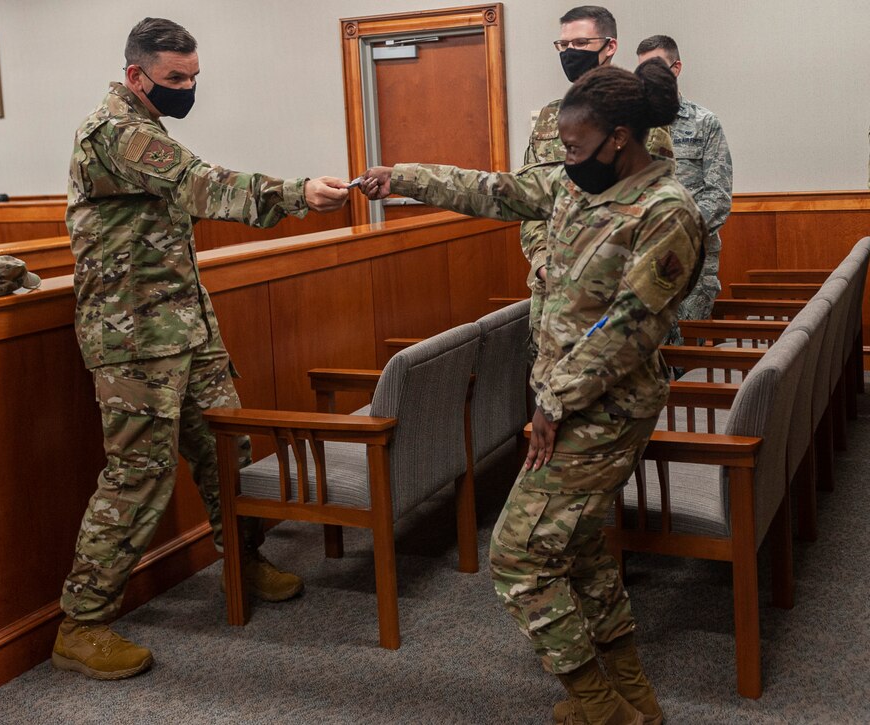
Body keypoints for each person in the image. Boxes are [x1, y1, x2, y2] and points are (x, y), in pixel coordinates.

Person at [359, 60, 704, 725]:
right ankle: (634, 695)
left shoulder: (667, 212)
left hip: (603, 409)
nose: (566, 160)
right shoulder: (579, 185)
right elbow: (493, 190)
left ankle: (599, 705)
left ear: (620, 138)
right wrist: (399, 177)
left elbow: (631, 324)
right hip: (566, 399)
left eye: (576, 147)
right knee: (579, 549)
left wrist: (554, 399)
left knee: (517, 557)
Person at [53, 17, 350, 681]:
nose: (187, 90)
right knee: (140, 473)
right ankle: (83, 621)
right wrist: (296, 192)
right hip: (132, 339)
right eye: (175, 80)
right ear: (137, 76)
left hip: (185, 327)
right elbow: (204, 184)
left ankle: (242, 562)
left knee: (228, 449)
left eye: (193, 78)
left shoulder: (147, 123)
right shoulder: (116, 130)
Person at [523, 6, 675, 352]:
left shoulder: (638, 113)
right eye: (562, 45)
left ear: (609, 46)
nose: (569, 53)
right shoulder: (551, 117)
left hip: (615, 300)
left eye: (580, 42)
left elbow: (657, 210)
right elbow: (529, 202)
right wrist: (543, 262)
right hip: (553, 298)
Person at [637, 35, 733, 345]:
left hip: (693, 261)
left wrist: (675, 232)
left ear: (676, 68)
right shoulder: (632, 126)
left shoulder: (704, 123)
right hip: (642, 263)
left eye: (655, 67)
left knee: (684, 354)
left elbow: (718, 196)